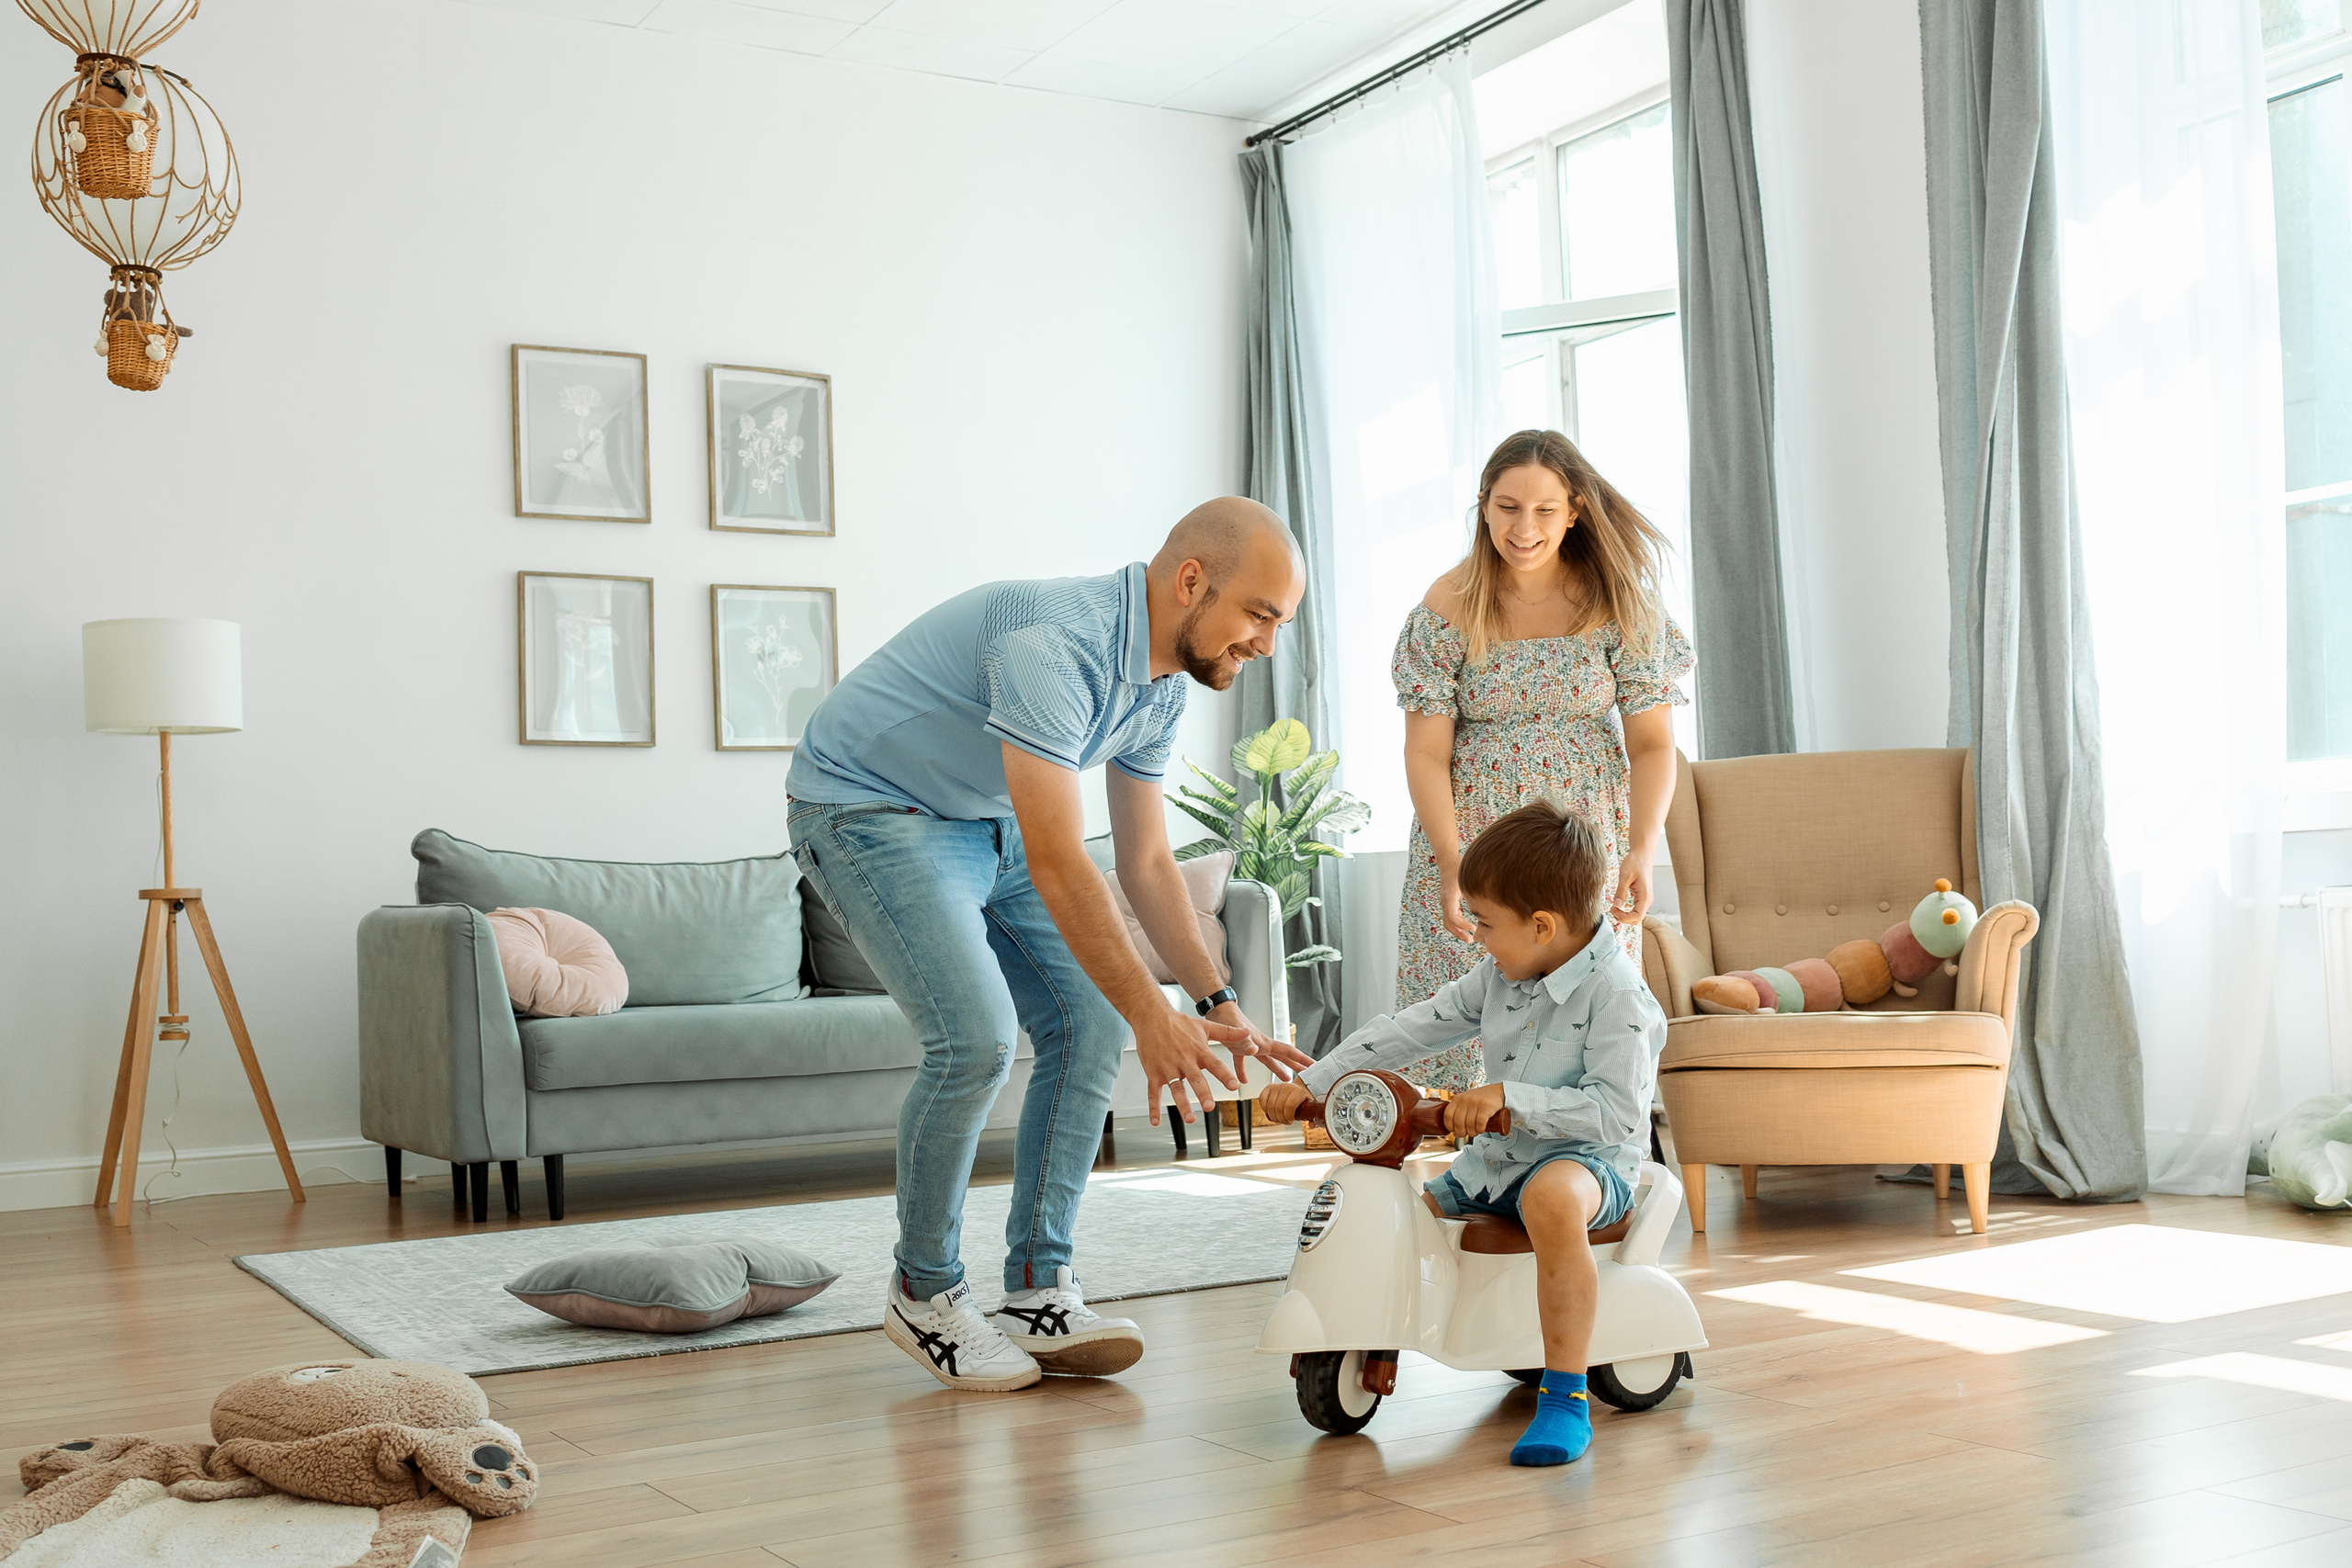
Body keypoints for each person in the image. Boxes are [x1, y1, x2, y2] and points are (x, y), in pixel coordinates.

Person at [786, 498, 1315, 1393]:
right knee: (976, 1040)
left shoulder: (1159, 685)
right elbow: (1061, 857)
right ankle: (923, 1292)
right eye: (1258, 615)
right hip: (867, 810)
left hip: (980, 821)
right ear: (1191, 581)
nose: (1265, 643)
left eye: (1278, 623)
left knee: (1091, 1026)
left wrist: (1212, 1003)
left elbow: (1145, 860)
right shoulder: (1051, 643)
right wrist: (1151, 1013)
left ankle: (1037, 1288)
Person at [1258, 800, 1666, 1467]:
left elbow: (1615, 1112)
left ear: (1541, 925)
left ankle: (1565, 1396)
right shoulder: (1502, 976)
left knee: (1552, 1198)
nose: (1475, 934)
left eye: (1485, 921)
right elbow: (1410, 1027)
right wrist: (1316, 1080)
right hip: (1498, 1162)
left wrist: (1512, 1097)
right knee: (1399, 1215)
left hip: (1588, 1164)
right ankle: (1374, 1331)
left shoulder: (1617, 995)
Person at [1393, 429, 1691, 1095]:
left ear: (1575, 509)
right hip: (1471, 841)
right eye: (1506, 507)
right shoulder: (1447, 606)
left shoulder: (1621, 604)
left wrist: (1641, 850)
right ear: (1482, 505)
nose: (1523, 527)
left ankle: (1583, 1181)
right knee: (1454, 1033)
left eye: (1544, 510)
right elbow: (1425, 749)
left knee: (1583, 1013)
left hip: (1580, 848)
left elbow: (1651, 744)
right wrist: (1450, 863)